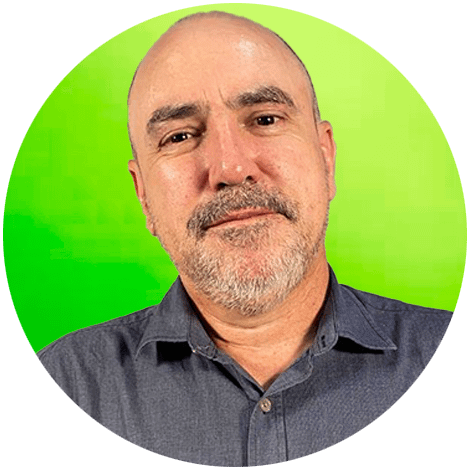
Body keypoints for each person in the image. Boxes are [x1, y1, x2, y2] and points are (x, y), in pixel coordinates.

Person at [37, 11, 453, 465]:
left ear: (326, 157)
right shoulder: (68, 383)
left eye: (265, 119)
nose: (231, 169)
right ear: (144, 197)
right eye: (180, 135)